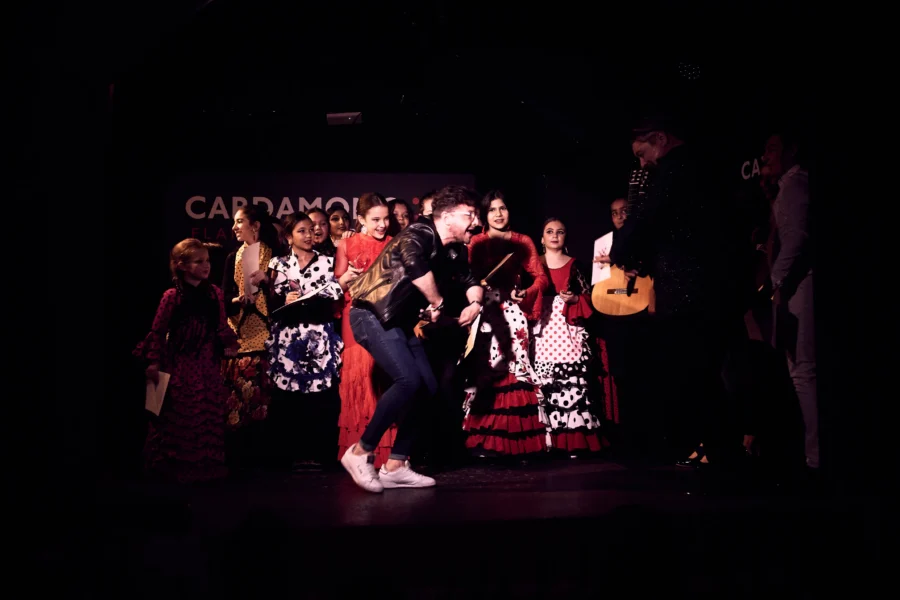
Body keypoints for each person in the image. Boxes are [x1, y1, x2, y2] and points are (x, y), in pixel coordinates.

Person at [602, 112, 739, 464]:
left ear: (660, 138)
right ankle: (717, 450)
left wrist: (622, 251)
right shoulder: (698, 167)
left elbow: (646, 218)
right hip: (707, 285)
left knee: (693, 371)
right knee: (702, 370)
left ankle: (720, 455)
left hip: (688, 288)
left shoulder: (674, 170)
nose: (643, 161)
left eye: (642, 152)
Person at [341, 185, 484, 492]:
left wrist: (475, 303)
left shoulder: (456, 249)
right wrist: (438, 304)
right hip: (371, 314)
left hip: (400, 322)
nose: (476, 221)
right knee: (408, 380)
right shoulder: (419, 232)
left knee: (428, 387)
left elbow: (470, 279)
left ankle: (394, 466)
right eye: (469, 214)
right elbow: (414, 264)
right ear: (446, 217)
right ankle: (359, 452)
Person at [134, 239, 238, 482]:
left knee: (208, 409)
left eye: (207, 261)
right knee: (183, 411)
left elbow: (221, 325)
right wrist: (153, 361)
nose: (206, 266)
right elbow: (158, 331)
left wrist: (230, 344)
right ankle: (176, 466)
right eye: (198, 262)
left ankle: (206, 465)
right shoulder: (172, 296)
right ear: (181, 265)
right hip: (181, 361)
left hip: (207, 361)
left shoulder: (215, 293)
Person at [462, 190, 550, 458]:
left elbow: (541, 278)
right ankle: (487, 443)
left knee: (513, 367)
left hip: (511, 313)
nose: (499, 214)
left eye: (503, 208)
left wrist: (526, 293)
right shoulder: (475, 242)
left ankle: (520, 443)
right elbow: (464, 278)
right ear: (484, 215)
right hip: (483, 313)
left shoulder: (522, 241)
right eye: (492, 210)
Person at [265, 212, 344, 468]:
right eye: (302, 231)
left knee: (320, 397)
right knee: (288, 397)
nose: (310, 235)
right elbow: (270, 303)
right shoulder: (278, 263)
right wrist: (282, 300)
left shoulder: (329, 261)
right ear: (288, 236)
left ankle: (320, 454)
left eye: (312, 230)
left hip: (319, 335)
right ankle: (287, 454)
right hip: (288, 337)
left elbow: (335, 296)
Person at [760, 127, 817, 470]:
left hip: (799, 284)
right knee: (797, 369)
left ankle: (814, 458)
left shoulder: (796, 184)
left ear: (791, 151)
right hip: (790, 285)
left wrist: (774, 282)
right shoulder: (784, 187)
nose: (765, 156)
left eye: (772, 149)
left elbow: (796, 239)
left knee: (804, 370)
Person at [333, 193, 396, 466]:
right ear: (360, 219)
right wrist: (344, 280)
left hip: (385, 317)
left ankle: (385, 454)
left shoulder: (395, 244)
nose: (382, 225)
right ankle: (358, 455)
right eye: (376, 220)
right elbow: (336, 289)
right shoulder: (346, 245)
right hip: (355, 318)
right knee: (359, 381)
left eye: (386, 218)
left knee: (384, 382)